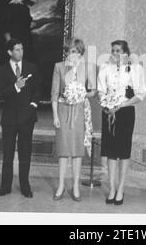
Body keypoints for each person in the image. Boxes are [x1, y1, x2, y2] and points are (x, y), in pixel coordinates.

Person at [97, 40, 146, 205]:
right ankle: (111, 188)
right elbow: (101, 90)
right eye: (113, 51)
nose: (115, 54)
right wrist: (106, 104)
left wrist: (121, 105)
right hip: (109, 112)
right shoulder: (105, 68)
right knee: (111, 152)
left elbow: (140, 94)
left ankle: (120, 189)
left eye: (118, 51)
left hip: (125, 112)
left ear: (126, 52)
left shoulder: (135, 68)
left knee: (123, 152)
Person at [0, 38, 41, 198]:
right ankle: (5, 186)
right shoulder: (1, 70)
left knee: (25, 153)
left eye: (22, 49)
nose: (21, 52)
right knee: (7, 153)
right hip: (9, 118)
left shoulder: (31, 67)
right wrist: (15, 87)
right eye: (17, 49)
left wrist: (33, 105)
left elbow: (38, 90)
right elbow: (0, 94)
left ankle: (25, 186)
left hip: (27, 117)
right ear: (10, 52)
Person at [51, 38, 97, 202]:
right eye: (71, 51)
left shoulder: (88, 67)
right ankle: (61, 185)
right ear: (67, 52)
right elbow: (54, 94)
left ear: (81, 53)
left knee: (77, 150)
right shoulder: (59, 67)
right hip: (63, 111)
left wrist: (82, 93)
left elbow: (93, 92)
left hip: (80, 111)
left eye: (76, 51)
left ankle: (76, 186)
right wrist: (55, 116)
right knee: (63, 150)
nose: (73, 54)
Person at [2, 0, 37, 64]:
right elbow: (6, 25)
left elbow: (27, 22)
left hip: (26, 38)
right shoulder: (10, 6)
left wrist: (31, 24)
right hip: (15, 37)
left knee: (27, 60)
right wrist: (9, 41)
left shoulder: (25, 8)